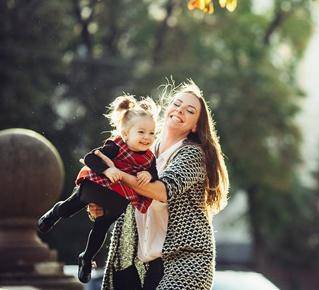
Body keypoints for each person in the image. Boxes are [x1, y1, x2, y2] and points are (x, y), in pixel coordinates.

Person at [88, 80, 229, 290]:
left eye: (189, 111)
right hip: (140, 263)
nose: (180, 111)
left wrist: (119, 174)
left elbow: (162, 191)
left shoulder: (192, 153)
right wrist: (101, 208)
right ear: (167, 109)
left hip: (184, 262)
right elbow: (123, 198)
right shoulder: (142, 150)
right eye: (177, 104)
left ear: (195, 126)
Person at [37, 95, 159, 283]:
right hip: (97, 185)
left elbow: (155, 175)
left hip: (118, 197)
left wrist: (148, 175)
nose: (147, 138)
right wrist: (108, 169)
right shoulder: (116, 146)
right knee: (71, 207)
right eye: (141, 132)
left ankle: (86, 259)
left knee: (101, 227)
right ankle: (54, 214)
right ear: (126, 134)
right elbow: (90, 159)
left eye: (152, 133)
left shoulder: (149, 158)